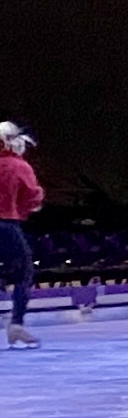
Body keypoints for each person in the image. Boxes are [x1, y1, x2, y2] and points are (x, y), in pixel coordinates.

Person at [0, 123, 39, 344]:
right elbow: (33, 198)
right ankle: (16, 324)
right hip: (6, 225)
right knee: (24, 273)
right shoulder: (18, 166)